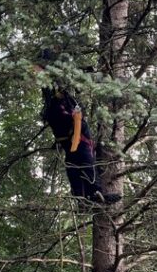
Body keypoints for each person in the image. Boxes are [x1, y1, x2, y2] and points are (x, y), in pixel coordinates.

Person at [34, 49, 119, 207]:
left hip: (70, 137)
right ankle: (93, 193)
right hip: (73, 134)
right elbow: (50, 82)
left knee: (75, 164)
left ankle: (83, 198)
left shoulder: (62, 96)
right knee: (85, 161)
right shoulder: (57, 98)